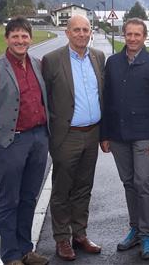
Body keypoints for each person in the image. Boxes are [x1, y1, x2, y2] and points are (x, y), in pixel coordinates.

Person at [0, 16, 49, 265]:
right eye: (15, 36)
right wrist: (1, 136)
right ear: (7, 39)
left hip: (39, 139)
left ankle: (26, 250)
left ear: (31, 38)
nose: (20, 40)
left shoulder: (38, 65)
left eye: (24, 36)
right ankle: (10, 256)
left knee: (29, 198)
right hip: (12, 142)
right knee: (10, 201)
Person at [100, 18, 149, 261]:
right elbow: (106, 101)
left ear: (144, 36)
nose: (132, 38)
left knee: (143, 183)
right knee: (129, 183)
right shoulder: (113, 63)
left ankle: (147, 235)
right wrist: (104, 134)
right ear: (123, 35)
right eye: (128, 34)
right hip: (118, 136)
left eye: (137, 34)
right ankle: (135, 229)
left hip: (143, 135)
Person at [42, 14, 105, 261]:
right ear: (67, 32)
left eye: (85, 29)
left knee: (83, 187)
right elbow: (43, 98)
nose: (81, 34)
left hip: (92, 134)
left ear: (91, 32)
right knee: (62, 190)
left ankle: (79, 234)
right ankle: (61, 239)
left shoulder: (98, 57)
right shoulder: (52, 60)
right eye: (76, 30)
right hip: (66, 135)